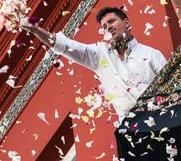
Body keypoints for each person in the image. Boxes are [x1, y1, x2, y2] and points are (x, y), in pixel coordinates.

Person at [20, 7, 167, 118]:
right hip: (130, 128)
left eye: (111, 21)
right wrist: (35, 30)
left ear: (126, 22)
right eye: (104, 26)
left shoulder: (151, 54)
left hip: (160, 116)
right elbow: (66, 46)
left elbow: (169, 86)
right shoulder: (99, 55)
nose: (108, 27)